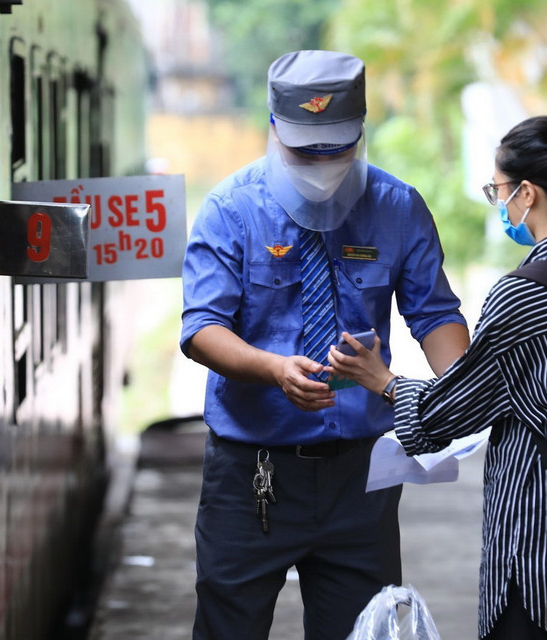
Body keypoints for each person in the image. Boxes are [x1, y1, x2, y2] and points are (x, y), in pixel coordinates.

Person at [327, 110, 547, 640]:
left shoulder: (521, 294)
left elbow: (450, 412)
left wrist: (384, 381)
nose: (500, 203)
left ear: (527, 194)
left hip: (542, 551)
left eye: (498, 190)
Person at [180, 49, 470, 639]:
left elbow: (436, 316)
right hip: (251, 476)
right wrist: (273, 369)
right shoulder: (231, 211)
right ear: (274, 128)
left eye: (335, 148)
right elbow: (201, 330)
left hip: (360, 481)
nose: (320, 162)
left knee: (364, 630)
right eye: (305, 149)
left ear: (360, 132)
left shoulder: (397, 208)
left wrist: (463, 396)